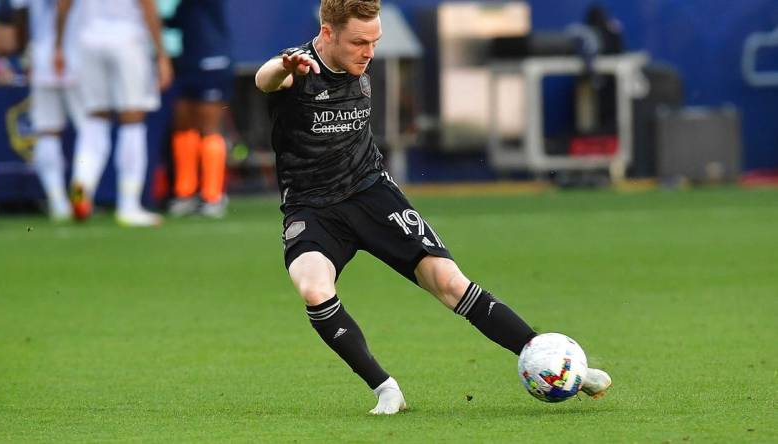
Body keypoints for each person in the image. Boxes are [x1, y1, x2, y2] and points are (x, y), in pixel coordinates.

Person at [255, 0, 612, 415]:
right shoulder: (298, 69)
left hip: (372, 194)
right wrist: (283, 65)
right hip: (311, 208)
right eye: (359, 42)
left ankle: (555, 362)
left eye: (375, 41)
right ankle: (386, 389)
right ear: (328, 33)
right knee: (314, 289)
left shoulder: (358, 59)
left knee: (449, 282)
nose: (369, 52)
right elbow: (266, 80)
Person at [55, 0, 172, 226]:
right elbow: (148, 6)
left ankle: (81, 189)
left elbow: (63, 5)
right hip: (127, 40)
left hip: (88, 41)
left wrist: (59, 45)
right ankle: (129, 205)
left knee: (95, 119)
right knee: (133, 121)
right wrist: (161, 53)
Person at [10, 0, 84, 221]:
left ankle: (57, 201)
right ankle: (80, 196)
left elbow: (19, 13)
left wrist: (25, 52)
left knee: (47, 131)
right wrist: (58, 45)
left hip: (42, 56)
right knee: (91, 130)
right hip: (75, 55)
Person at [166, 0, 233, 219]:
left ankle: (212, 196)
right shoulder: (184, 6)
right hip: (187, 61)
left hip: (212, 59)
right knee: (184, 126)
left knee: (209, 127)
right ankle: (185, 193)